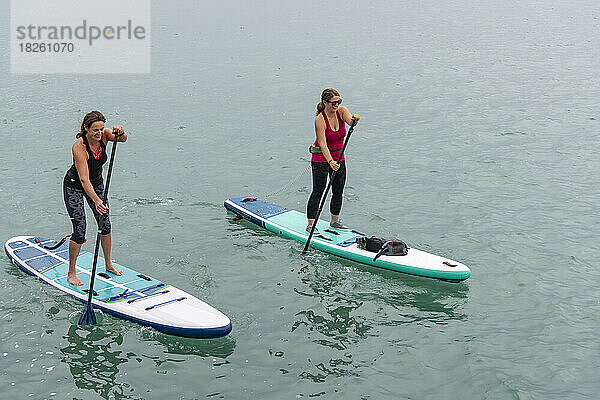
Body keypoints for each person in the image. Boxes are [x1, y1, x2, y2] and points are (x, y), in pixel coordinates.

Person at [63, 111, 127, 285]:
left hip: (97, 183)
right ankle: (71, 272)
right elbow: (84, 179)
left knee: (105, 223)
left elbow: (123, 139)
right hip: (75, 186)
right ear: (86, 128)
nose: (99, 133)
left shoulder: (105, 135)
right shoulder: (79, 147)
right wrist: (97, 201)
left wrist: (120, 132)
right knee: (80, 229)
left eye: (101, 129)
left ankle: (108, 264)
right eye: (95, 130)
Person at [306, 88, 360, 234]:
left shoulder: (341, 111)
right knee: (318, 191)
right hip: (321, 160)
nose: (336, 105)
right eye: (333, 102)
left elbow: (350, 122)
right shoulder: (320, 119)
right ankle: (311, 224)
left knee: (338, 190)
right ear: (325, 102)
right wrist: (330, 162)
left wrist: (354, 120)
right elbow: (322, 144)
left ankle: (334, 221)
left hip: (339, 158)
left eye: (338, 102)